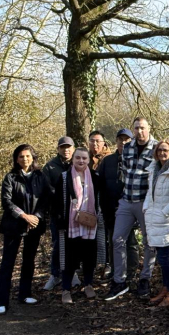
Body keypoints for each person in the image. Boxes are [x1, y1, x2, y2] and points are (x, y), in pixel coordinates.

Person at [106, 117, 158, 300]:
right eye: (137, 128)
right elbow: (124, 172)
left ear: (149, 129)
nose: (140, 131)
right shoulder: (126, 148)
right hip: (127, 200)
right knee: (117, 239)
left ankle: (145, 279)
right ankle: (119, 281)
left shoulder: (157, 148)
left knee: (149, 242)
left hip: (146, 202)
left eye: (143, 128)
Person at [0, 144, 50, 315]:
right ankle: (1, 301)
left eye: (27, 156)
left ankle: (25, 294)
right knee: (8, 263)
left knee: (29, 260)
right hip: (13, 225)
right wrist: (23, 216)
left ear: (33, 157)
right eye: (21, 157)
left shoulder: (40, 176)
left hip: (34, 224)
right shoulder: (10, 177)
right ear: (16, 159)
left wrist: (36, 217)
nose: (24, 159)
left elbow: (46, 200)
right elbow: (6, 201)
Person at [53, 147, 106, 304]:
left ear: (89, 160)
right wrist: (59, 220)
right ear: (73, 159)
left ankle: (88, 285)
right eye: (78, 158)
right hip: (70, 224)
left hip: (90, 223)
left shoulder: (95, 177)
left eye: (84, 158)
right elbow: (56, 202)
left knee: (89, 256)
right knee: (69, 257)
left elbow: (100, 199)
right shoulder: (64, 177)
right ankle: (66, 289)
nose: (81, 161)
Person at [143, 139, 169, 307]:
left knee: (164, 257)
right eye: (159, 150)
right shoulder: (153, 169)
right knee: (160, 256)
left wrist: (165, 211)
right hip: (154, 217)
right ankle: (166, 287)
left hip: (166, 219)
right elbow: (150, 192)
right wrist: (147, 207)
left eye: (165, 150)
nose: (162, 153)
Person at [95, 129, 139, 277]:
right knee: (114, 241)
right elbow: (100, 186)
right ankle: (116, 272)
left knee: (131, 242)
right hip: (110, 210)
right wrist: (103, 207)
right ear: (116, 141)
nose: (123, 142)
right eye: (120, 139)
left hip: (130, 208)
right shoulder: (107, 161)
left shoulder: (136, 160)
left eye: (127, 139)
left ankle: (131, 273)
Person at [42, 136, 78, 290]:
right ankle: (55, 274)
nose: (66, 150)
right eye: (63, 147)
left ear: (73, 148)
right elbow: (46, 190)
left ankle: (73, 273)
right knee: (58, 244)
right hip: (58, 213)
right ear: (58, 149)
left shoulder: (78, 164)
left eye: (69, 147)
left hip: (76, 213)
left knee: (74, 245)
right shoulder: (50, 167)